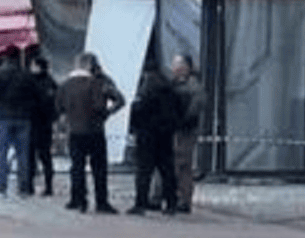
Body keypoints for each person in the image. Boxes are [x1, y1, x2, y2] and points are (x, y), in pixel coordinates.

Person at [55, 51, 124, 214]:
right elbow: (114, 101)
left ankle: (78, 199)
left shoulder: (65, 85)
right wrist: (107, 113)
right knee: (99, 168)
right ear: (91, 66)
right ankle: (101, 202)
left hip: (75, 132)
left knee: (77, 167)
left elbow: (59, 108)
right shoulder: (97, 83)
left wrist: (66, 121)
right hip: (94, 131)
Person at [127, 65, 183, 215]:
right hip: (165, 137)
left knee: (143, 172)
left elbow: (136, 114)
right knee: (167, 171)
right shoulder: (171, 93)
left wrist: (134, 129)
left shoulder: (145, 94)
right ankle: (171, 203)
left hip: (146, 138)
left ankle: (140, 204)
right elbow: (179, 113)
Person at [0, 47, 35, 197]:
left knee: (1, 154)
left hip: (3, 117)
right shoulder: (25, 74)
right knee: (23, 156)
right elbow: (34, 94)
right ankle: (24, 189)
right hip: (23, 119)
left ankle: (1, 188)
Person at [171, 55, 206, 215]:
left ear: (187, 66)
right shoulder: (172, 83)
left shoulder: (193, 85)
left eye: (179, 64)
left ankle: (183, 199)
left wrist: (184, 119)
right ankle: (171, 196)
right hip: (174, 128)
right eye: (174, 64)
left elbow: (198, 103)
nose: (175, 67)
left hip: (186, 129)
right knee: (174, 162)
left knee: (182, 163)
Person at [26, 54, 59, 198]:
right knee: (46, 157)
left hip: (33, 123)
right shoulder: (51, 82)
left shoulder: (30, 82)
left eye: (32, 65)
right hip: (46, 125)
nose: (30, 68)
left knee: (30, 157)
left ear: (38, 67)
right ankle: (48, 186)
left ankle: (29, 186)